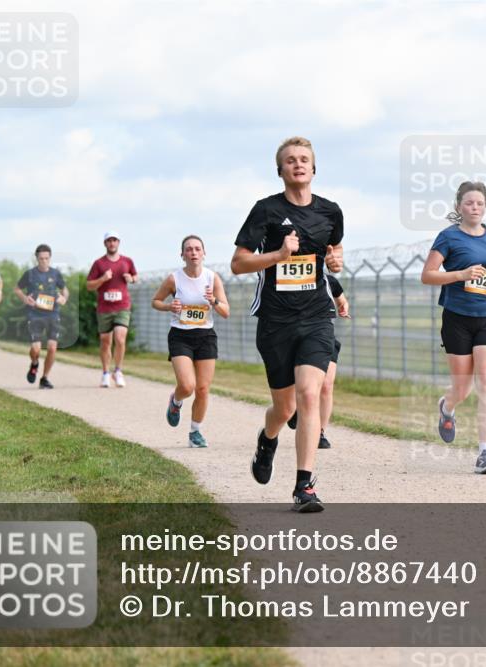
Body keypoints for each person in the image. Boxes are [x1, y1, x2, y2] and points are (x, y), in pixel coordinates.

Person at [231, 136, 344, 513]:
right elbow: (238, 263)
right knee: (283, 409)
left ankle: (304, 486)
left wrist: (334, 264)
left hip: (316, 315)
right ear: (280, 170)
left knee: (309, 395)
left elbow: (334, 250)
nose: (298, 164)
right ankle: (267, 440)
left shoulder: (331, 212)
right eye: (291, 160)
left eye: (304, 159)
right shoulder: (265, 210)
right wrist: (279, 254)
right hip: (276, 320)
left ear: (314, 168)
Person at [420, 181, 486, 475]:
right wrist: (460, 274)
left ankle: (485, 453)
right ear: (459, 207)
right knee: (463, 387)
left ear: (485, 206)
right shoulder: (448, 237)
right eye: (469, 203)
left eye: (479, 204)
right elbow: (427, 275)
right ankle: (447, 406)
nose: (475, 208)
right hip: (458, 318)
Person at [152, 235, 230, 448]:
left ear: (204, 253)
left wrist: (213, 300)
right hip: (181, 335)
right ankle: (176, 401)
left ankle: (195, 432)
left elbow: (225, 311)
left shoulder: (212, 278)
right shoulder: (174, 279)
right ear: (182, 255)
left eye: (197, 249)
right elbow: (155, 301)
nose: (194, 253)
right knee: (187, 386)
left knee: (203, 389)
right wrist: (169, 307)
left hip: (205, 336)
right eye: (189, 249)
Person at [286, 273, 350, 449]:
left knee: (327, 385)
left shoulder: (329, 281)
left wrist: (343, 307)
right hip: (296, 336)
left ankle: (320, 432)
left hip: (323, 337)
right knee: (300, 385)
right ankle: (295, 408)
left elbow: (341, 300)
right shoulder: (294, 277)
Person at [86, 232, 137, 388]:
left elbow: (135, 277)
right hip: (104, 308)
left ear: (118, 242)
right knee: (105, 341)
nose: (112, 243)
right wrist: (103, 279)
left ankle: (118, 371)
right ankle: (105, 373)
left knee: (120, 338)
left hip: (122, 306)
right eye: (109, 241)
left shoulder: (127, 261)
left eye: (114, 240)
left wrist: (131, 279)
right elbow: (89, 286)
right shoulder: (99, 264)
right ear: (105, 243)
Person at [14, 244, 68, 388]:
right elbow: (17, 289)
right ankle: (34, 363)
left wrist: (64, 298)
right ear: (36, 258)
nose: (44, 261)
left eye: (47, 258)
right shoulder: (30, 274)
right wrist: (25, 298)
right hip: (35, 314)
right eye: (41, 258)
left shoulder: (56, 274)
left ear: (50, 258)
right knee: (36, 349)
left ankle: (44, 378)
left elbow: (65, 290)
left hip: (53, 313)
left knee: (52, 347)